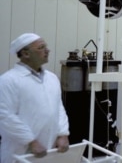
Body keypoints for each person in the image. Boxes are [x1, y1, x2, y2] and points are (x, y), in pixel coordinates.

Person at [0, 33, 70, 162]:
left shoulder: (52, 78)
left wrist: (63, 134)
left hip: (47, 150)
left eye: (46, 47)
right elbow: (5, 116)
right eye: (41, 47)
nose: (47, 50)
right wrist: (31, 141)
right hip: (19, 151)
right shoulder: (8, 80)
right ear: (26, 54)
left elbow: (58, 108)